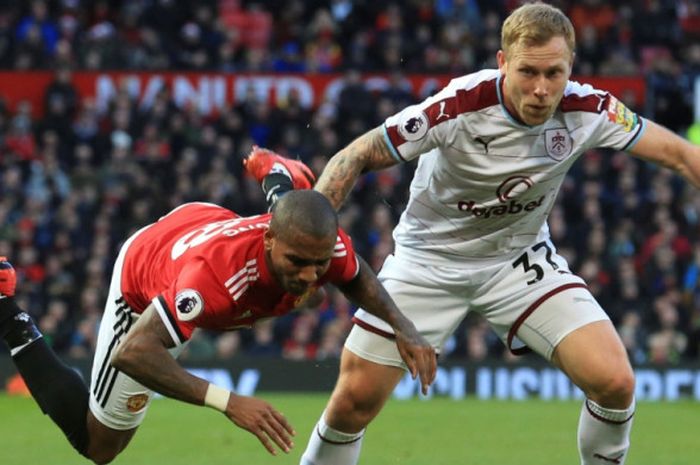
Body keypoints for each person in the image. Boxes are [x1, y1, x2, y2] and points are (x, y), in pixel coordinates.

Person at [244, 3, 700, 465]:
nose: (541, 89)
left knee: (615, 381)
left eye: (554, 73)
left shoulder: (591, 108)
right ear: (502, 63)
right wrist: (314, 247)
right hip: (427, 263)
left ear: (571, 68)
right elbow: (358, 153)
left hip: (517, 260)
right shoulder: (459, 105)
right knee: (352, 403)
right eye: (527, 72)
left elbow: (682, 155)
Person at [0, 187, 436, 464]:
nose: (309, 272)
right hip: (146, 273)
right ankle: (9, 315)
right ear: (270, 240)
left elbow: (355, 273)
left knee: (313, 287)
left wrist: (404, 327)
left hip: (204, 221)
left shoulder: (323, 245)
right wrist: (228, 402)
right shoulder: (210, 285)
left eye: (318, 263)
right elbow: (132, 352)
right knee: (99, 447)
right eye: (298, 262)